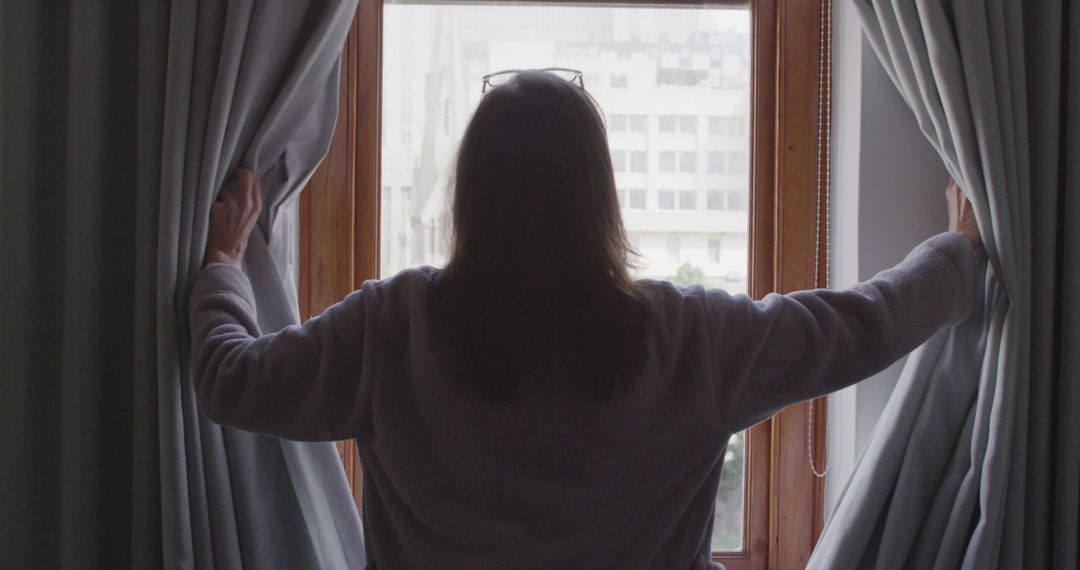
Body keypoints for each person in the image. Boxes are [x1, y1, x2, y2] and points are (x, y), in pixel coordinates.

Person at [190, 70, 981, 569]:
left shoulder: (393, 328)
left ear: (470, 196)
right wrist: (958, 254)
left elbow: (231, 380)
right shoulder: (690, 338)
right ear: (598, 197)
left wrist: (227, 264)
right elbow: (861, 326)